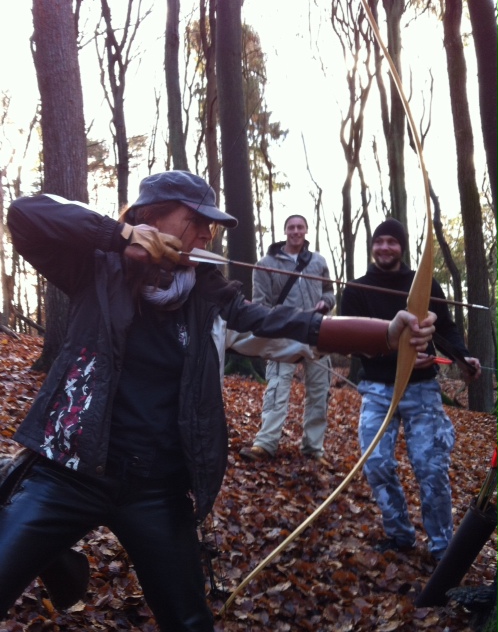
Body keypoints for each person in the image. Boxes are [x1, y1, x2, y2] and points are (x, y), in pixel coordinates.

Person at [0, 176, 436, 631]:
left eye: (211, 226)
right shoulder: (97, 266)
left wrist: (387, 335)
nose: (207, 235)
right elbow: (25, 213)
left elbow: (279, 322)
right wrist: (121, 235)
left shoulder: (207, 291)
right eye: (196, 221)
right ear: (150, 215)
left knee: (190, 623)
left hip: (155, 487)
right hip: (68, 471)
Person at [340, 218, 481, 562]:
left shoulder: (424, 283)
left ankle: (442, 548)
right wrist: (400, 356)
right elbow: (353, 343)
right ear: (372, 247)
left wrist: (462, 358)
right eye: (379, 241)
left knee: (431, 467)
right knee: (376, 462)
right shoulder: (356, 289)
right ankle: (400, 534)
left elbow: (445, 329)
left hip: (421, 389)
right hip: (378, 390)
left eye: (392, 241)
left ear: (401, 247)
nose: (384, 247)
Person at [240, 215, 335, 464]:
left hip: (316, 332)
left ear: (306, 230)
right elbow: (260, 303)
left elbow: (329, 292)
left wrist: (325, 303)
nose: (296, 231)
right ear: (285, 231)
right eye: (291, 227)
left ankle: (313, 448)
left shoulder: (318, 261)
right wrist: (271, 326)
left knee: (319, 391)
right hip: (282, 333)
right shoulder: (265, 264)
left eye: (300, 227)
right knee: (277, 388)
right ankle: (265, 443)